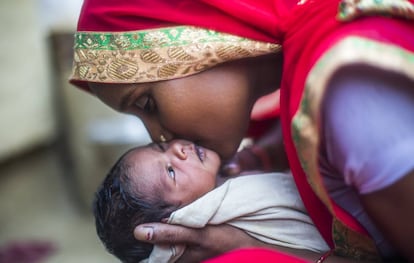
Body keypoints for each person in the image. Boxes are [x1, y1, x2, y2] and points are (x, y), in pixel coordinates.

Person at [69, 0, 414, 262]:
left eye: (147, 104)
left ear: (195, 39)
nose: (159, 137)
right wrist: (265, 153)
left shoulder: (347, 88)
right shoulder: (318, 42)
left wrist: (253, 251)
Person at [93, 139, 329, 263]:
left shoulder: (231, 174)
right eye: (171, 172)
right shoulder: (204, 219)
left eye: (161, 146)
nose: (178, 149)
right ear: (172, 222)